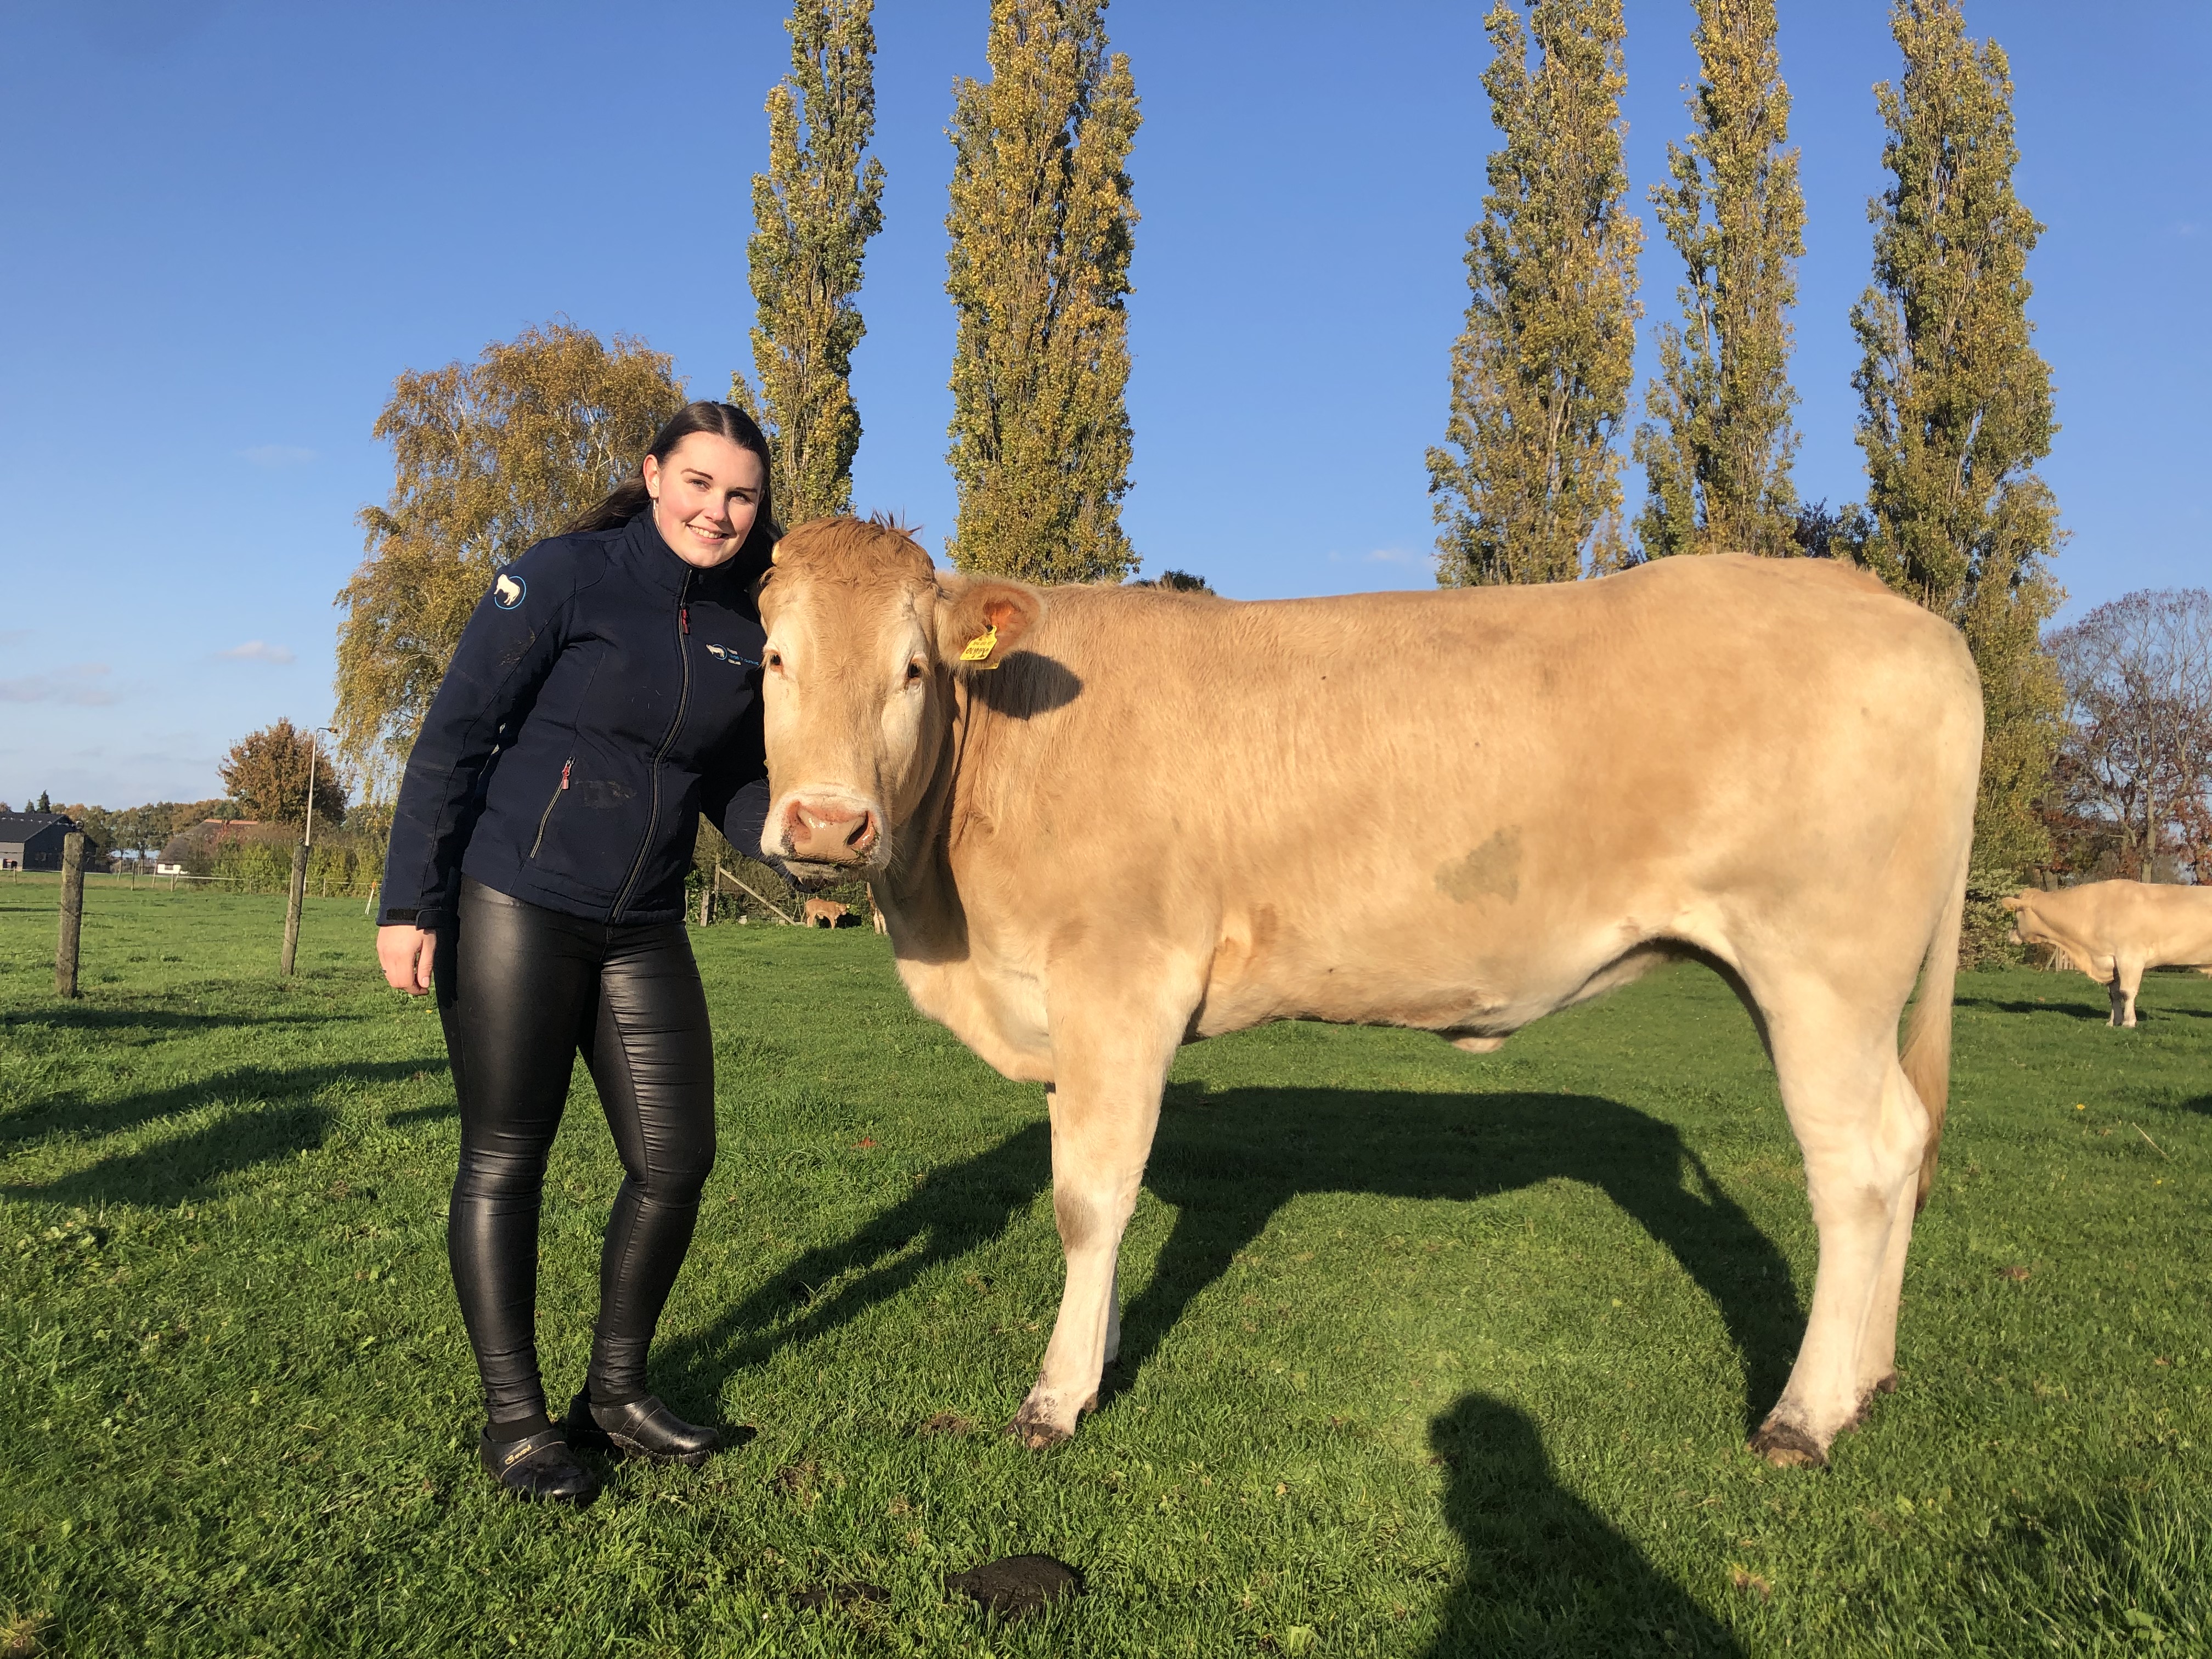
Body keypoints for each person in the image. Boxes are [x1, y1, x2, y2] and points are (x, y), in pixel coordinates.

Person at [375, 402, 782, 1505]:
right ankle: (515, 1423)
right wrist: (409, 902)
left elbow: (734, 782)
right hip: (517, 896)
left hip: (642, 923)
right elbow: (455, 730)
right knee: (509, 1156)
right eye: (699, 483)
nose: (718, 510)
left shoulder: (744, 625)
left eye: (740, 494)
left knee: (675, 1160)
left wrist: (791, 844)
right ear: (654, 477)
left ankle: (614, 1395)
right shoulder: (567, 574)